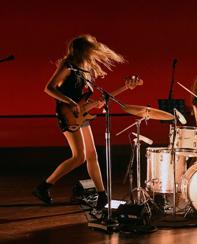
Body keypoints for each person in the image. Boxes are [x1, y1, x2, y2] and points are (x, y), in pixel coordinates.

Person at [33, 34, 141, 209]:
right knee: (79, 157)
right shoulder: (68, 65)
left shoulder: (86, 70)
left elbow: (83, 97)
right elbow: (49, 88)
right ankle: (43, 187)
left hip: (80, 113)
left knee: (91, 156)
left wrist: (96, 103)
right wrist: (71, 102)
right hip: (67, 113)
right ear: (83, 51)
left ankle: (102, 195)